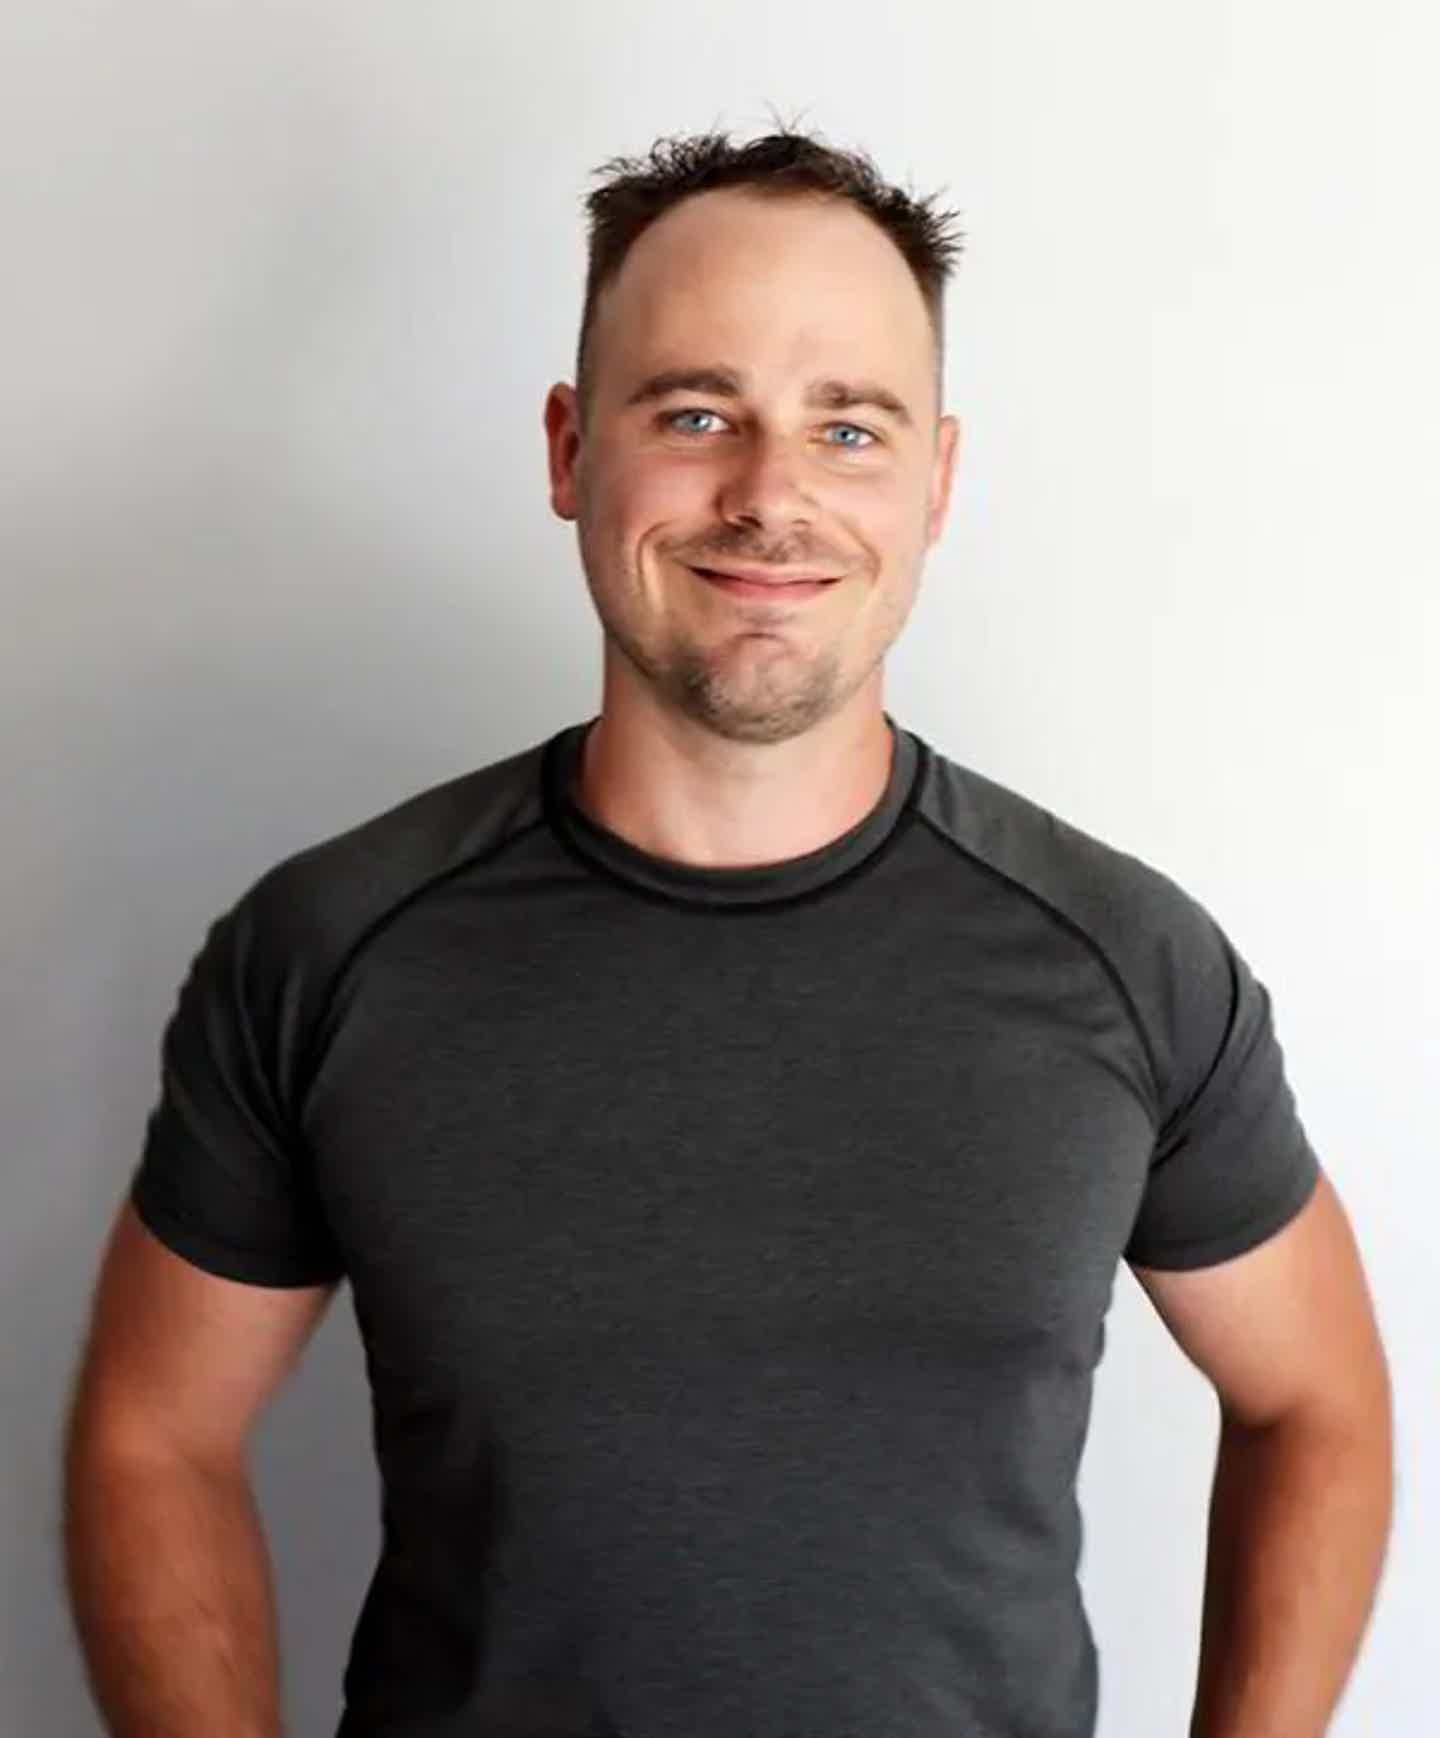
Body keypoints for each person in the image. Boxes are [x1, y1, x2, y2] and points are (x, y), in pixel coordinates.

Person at [63, 127, 1392, 1738]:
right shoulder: (333, 947)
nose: (772, 496)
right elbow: (153, 1432)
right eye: (697, 414)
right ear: (569, 450)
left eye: (849, 426)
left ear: (937, 483)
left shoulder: (1127, 959)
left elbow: (1318, 1398)